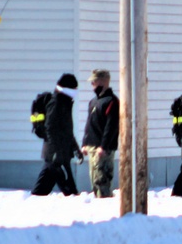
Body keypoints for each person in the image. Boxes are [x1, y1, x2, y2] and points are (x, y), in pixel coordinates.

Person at [32, 73, 83, 196]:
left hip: (59, 154)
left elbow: (67, 131)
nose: (75, 91)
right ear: (67, 88)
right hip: (56, 155)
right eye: (74, 88)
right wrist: (56, 152)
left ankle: (33, 204)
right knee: (69, 190)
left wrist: (75, 148)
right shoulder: (57, 103)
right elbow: (50, 128)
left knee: (41, 190)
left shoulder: (65, 102)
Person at [81, 69, 119, 198]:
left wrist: (103, 146)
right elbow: (89, 124)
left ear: (102, 82)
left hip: (103, 148)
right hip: (92, 146)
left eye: (94, 82)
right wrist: (84, 143)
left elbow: (111, 126)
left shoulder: (111, 101)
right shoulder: (93, 102)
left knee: (102, 179)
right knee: (94, 180)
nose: (92, 85)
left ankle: (105, 204)